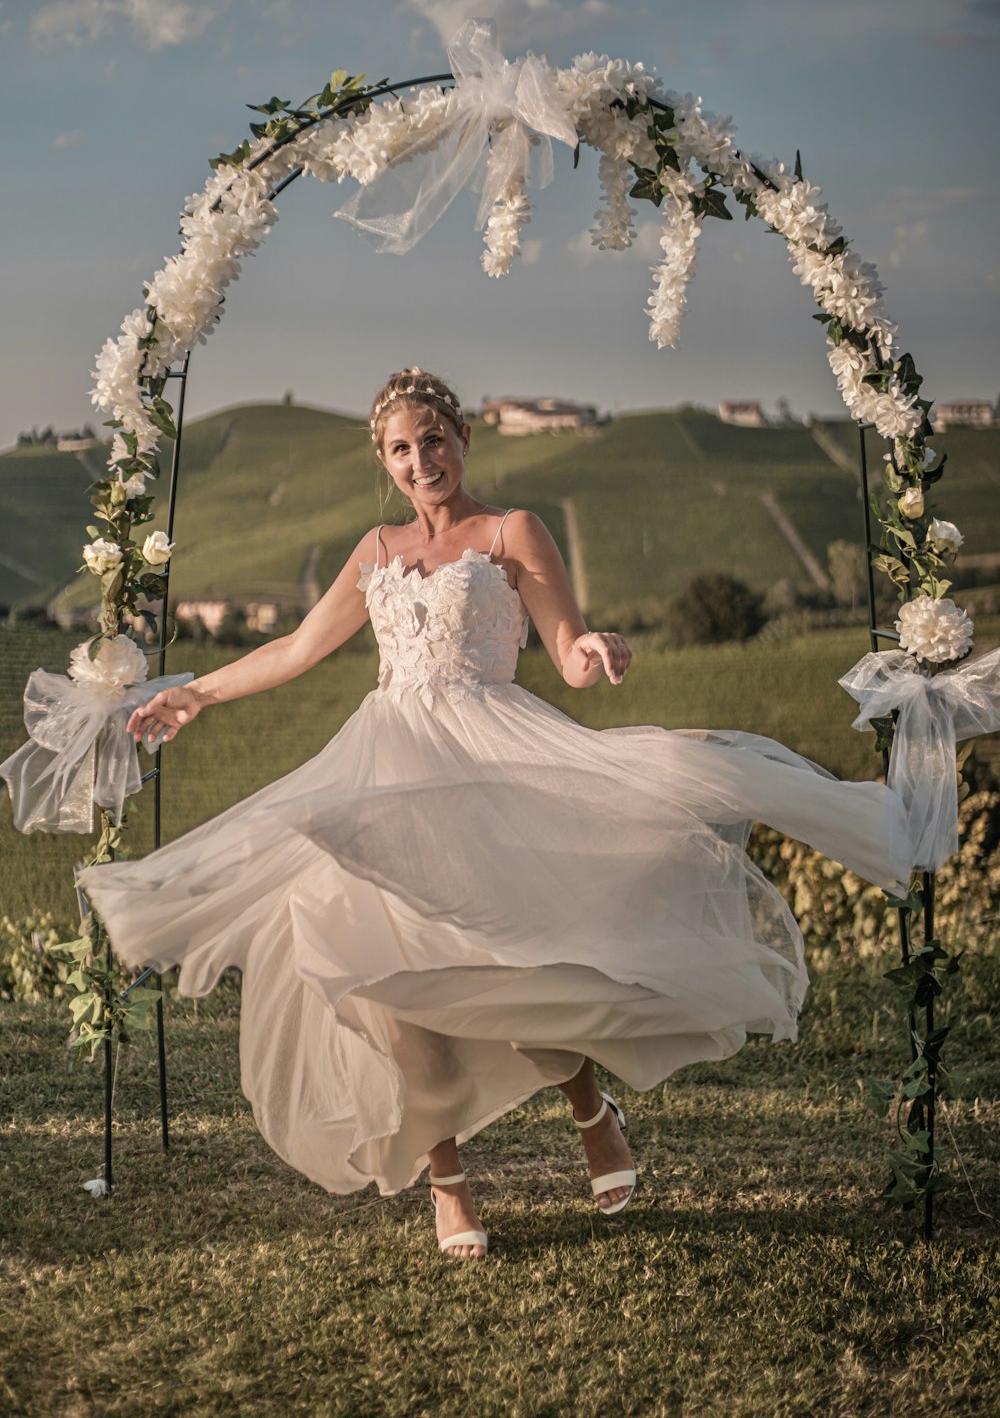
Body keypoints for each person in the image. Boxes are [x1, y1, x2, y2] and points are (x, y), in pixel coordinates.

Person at [81, 367, 913, 1261]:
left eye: (433, 439)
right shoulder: (374, 549)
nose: (420, 460)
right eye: (401, 448)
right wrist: (195, 695)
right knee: (397, 978)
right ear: (385, 461)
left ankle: (593, 1111)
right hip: (387, 768)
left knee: (522, 972)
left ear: (463, 438)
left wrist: (594, 648)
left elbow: (567, 650)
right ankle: (446, 1182)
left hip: (492, 761)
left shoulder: (513, 531)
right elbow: (297, 646)